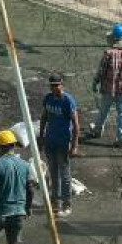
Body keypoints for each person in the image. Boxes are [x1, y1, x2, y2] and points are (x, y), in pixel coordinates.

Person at [86, 22, 122, 148]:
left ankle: (97, 130)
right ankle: (121, 138)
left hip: (109, 88)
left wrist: (95, 82)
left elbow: (101, 71)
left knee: (103, 110)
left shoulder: (108, 53)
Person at [39, 72, 79, 217]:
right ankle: (56, 202)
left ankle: (67, 204)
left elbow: (76, 125)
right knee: (53, 173)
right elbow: (44, 117)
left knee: (65, 175)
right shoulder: (48, 99)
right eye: (52, 86)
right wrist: (41, 136)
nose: (54, 88)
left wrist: (74, 146)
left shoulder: (68, 101)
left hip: (63, 143)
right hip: (50, 142)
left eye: (57, 85)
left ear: (62, 85)